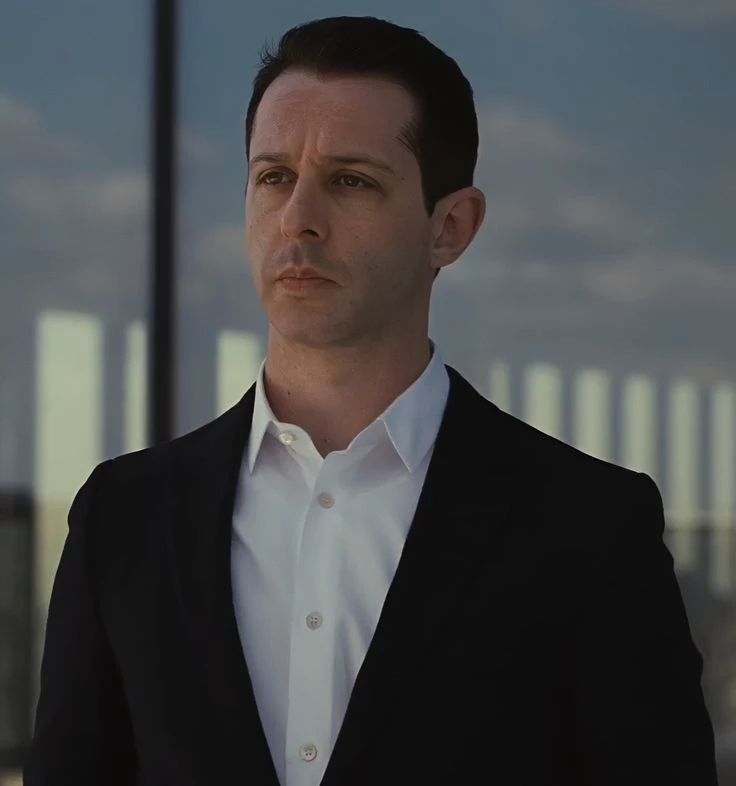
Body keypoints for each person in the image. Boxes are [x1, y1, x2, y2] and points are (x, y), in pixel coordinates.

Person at [24, 15, 718, 786]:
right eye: (273, 177)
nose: (298, 219)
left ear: (450, 227)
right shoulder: (123, 520)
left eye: (351, 181)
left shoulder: (591, 530)